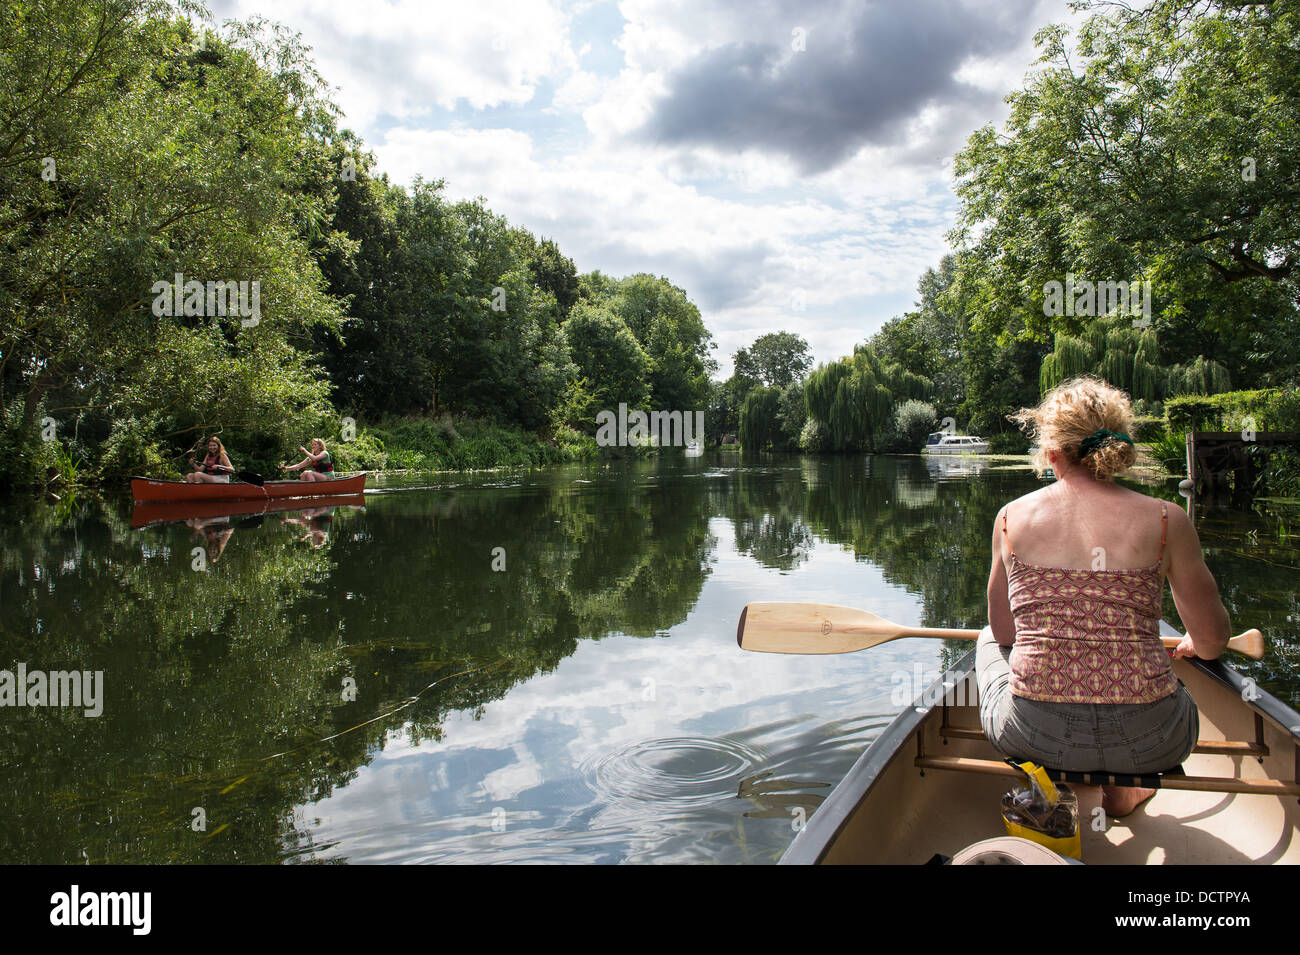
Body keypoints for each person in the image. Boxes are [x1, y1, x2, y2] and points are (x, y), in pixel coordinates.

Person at [977, 376, 1232, 817]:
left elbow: (1005, 631)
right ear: (1116, 447)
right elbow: (1212, 640)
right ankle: (1126, 789)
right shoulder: (1168, 520)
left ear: (1051, 452)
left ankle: (1060, 779)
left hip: (1035, 736)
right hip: (1155, 738)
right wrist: (1195, 644)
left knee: (986, 638)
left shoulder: (1010, 518)